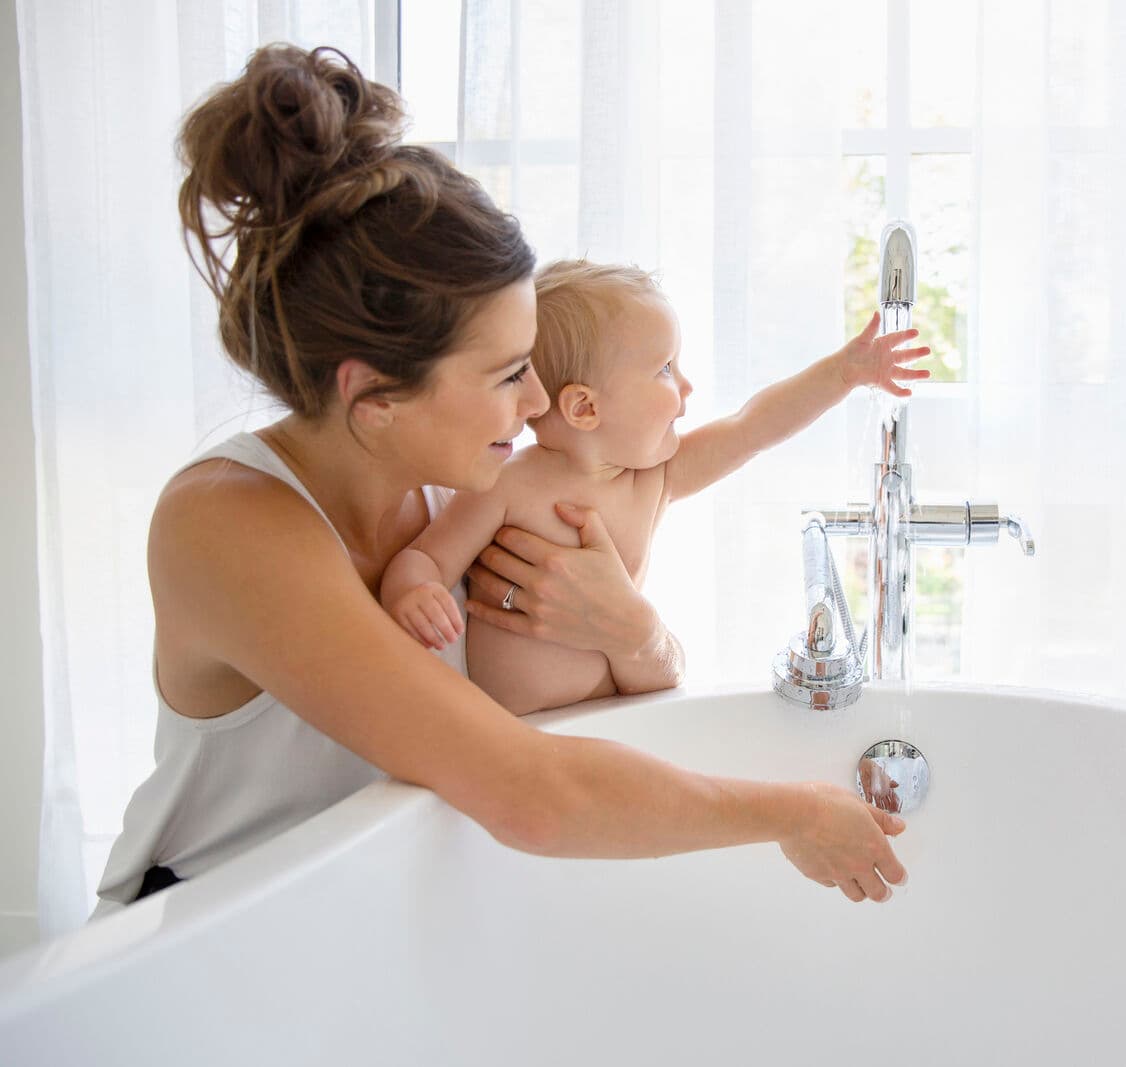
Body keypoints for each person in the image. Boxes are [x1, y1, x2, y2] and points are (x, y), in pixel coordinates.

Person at [93, 43, 908, 914]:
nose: (536, 403)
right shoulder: (228, 523)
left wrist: (634, 633)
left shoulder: (468, 486)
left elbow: (597, 705)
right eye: (507, 373)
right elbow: (535, 794)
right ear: (372, 397)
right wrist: (792, 812)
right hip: (197, 951)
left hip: (370, 930)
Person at [380, 260, 930, 712]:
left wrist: (842, 374)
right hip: (518, 738)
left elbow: (752, 427)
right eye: (666, 368)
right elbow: (424, 560)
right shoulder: (504, 482)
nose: (687, 385)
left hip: (622, 715)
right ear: (585, 407)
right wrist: (416, 592)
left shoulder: (655, 478)